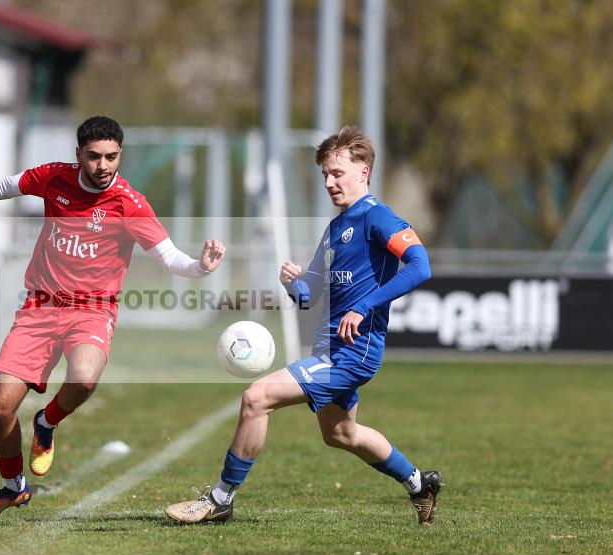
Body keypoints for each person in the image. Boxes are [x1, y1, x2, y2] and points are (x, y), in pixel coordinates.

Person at [0, 115, 226, 523]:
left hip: (93, 309)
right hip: (40, 306)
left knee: (85, 378)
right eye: (94, 157)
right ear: (79, 156)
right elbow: (4, 186)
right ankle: (13, 486)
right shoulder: (53, 178)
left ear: (120, 155)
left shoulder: (130, 203)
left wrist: (201, 266)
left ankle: (46, 420)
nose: (103, 165)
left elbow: (168, 256)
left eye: (111, 157)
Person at [165, 126, 443, 525]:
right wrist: (292, 283)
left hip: (352, 352)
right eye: (325, 175)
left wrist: (364, 307)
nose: (330, 182)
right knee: (341, 434)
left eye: (338, 173)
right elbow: (309, 296)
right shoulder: (335, 228)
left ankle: (220, 499)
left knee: (256, 397)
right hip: (328, 348)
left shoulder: (378, 217)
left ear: (364, 170)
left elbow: (420, 266)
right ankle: (420, 483)